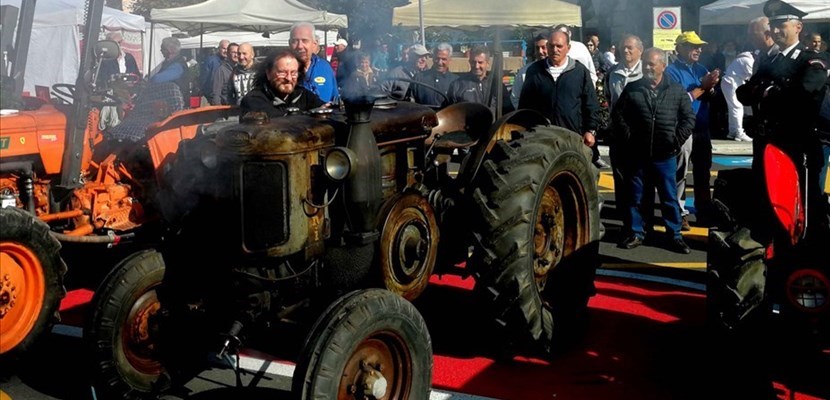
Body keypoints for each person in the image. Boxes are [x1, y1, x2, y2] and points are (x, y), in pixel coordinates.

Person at [737, 0, 829, 235]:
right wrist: (770, 91)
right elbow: (743, 93)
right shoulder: (770, 61)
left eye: (782, 25)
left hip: (796, 148)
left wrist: (766, 92)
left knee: (802, 210)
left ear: (798, 27)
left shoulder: (811, 61)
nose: (776, 31)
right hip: (768, 145)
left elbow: (803, 96)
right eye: (774, 26)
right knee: (768, 206)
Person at [612, 48, 696, 254]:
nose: (648, 68)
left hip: (665, 155)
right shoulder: (632, 89)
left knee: (669, 197)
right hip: (638, 154)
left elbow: (688, 118)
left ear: (662, 66)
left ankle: (674, 235)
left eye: (652, 64)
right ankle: (637, 232)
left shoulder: (676, 90)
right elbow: (618, 116)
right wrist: (630, 138)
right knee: (637, 196)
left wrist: (675, 141)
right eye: (646, 64)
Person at [665, 31, 720, 229]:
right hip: (683, 129)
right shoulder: (671, 71)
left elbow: (709, 95)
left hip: (702, 127)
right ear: (680, 48)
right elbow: (681, 100)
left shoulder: (701, 68)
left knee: (703, 172)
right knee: (680, 171)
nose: (698, 49)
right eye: (692, 46)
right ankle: (678, 212)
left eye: (699, 46)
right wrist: (703, 87)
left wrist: (711, 86)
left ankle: (703, 210)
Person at [519, 31, 599, 150]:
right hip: (541, 138)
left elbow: (591, 103)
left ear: (568, 47)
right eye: (551, 46)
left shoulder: (580, 72)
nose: (555, 49)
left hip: (572, 137)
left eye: (559, 46)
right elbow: (525, 104)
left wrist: (590, 130)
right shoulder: (535, 71)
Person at [605, 34, 644, 231]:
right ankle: (624, 214)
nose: (626, 51)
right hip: (618, 132)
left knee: (639, 176)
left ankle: (641, 216)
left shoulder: (647, 71)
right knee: (619, 175)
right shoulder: (613, 72)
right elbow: (607, 98)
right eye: (623, 48)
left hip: (641, 132)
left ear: (640, 51)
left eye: (630, 48)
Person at [722, 18, 772, 143]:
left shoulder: (747, 57)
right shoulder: (748, 60)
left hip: (732, 82)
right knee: (737, 107)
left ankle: (732, 131)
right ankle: (738, 133)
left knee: (734, 107)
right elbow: (753, 75)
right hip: (732, 83)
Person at [240, 50, 325, 119]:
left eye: (293, 73)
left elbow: (325, 110)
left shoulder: (304, 95)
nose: (289, 78)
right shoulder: (253, 100)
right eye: (282, 73)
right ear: (268, 73)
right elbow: (277, 122)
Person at [445, 45, 512, 116]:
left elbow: (508, 112)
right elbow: (450, 115)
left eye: (480, 62)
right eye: (473, 62)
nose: (476, 66)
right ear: (469, 62)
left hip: (492, 126)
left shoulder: (497, 86)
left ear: (488, 63)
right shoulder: (457, 85)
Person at [289, 22, 339, 103]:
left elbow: (335, 98)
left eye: (304, 41)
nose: (300, 46)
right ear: (289, 44)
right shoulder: (283, 70)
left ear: (314, 43)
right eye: (295, 41)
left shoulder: (325, 66)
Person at [411, 43, 458, 107]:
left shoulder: (456, 81)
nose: (439, 62)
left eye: (443, 59)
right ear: (433, 58)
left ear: (450, 60)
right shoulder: (418, 78)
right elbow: (410, 104)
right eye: (437, 58)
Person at [510, 34, 548, 110]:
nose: (540, 51)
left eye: (543, 48)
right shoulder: (525, 71)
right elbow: (515, 97)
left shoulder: (557, 70)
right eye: (537, 48)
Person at [150, 37, 190, 101]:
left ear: (170, 50)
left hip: (177, 103)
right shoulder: (168, 63)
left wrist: (147, 81)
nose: (161, 50)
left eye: (163, 48)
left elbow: (156, 79)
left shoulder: (178, 66)